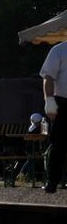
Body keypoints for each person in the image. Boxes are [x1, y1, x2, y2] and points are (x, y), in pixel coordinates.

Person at [40, 40, 67, 193]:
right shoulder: (60, 50)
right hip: (63, 102)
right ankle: (53, 181)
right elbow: (48, 77)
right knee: (58, 144)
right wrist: (49, 100)